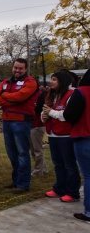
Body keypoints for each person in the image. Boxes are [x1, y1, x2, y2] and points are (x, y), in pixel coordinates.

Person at [0, 58, 39, 192]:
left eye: (20, 68)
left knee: (22, 153)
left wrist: (5, 96)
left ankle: (23, 184)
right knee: (11, 153)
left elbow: (21, 97)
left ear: (25, 69)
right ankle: (16, 181)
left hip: (21, 121)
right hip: (7, 121)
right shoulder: (6, 82)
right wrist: (11, 99)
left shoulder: (30, 82)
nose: (17, 70)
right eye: (15, 67)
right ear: (12, 67)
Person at [42, 71, 79, 202]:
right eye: (51, 79)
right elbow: (47, 111)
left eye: (54, 79)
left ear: (62, 81)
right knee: (57, 164)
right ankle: (59, 188)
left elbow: (67, 115)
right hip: (53, 134)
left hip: (66, 135)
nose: (51, 82)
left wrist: (51, 112)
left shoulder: (72, 94)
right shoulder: (52, 95)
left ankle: (72, 192)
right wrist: (44, 115)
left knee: (69, 164)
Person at [63, 69, 90, 222]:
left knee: (88, 176)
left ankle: (89, 212)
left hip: (84, 136)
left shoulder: (81, 92)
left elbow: (68, 115)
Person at [31, 87, 48, 176]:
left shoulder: (40, 95)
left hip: (37, 125)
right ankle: (43, 169)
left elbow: (39, 109)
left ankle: (38, 171)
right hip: (32, 125)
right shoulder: (32, 95)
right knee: (34, 149)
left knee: (37, 149)